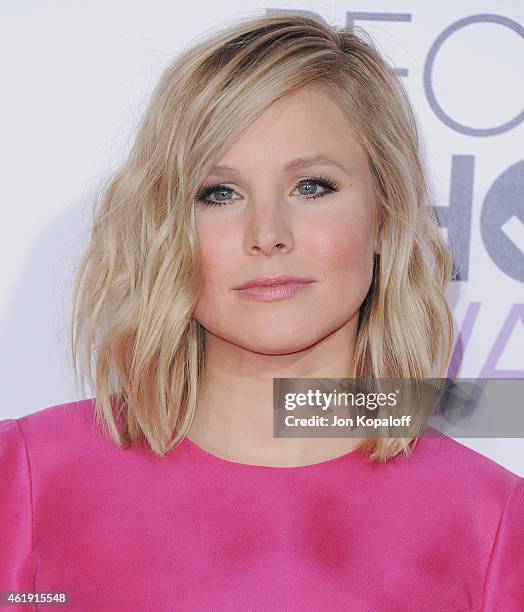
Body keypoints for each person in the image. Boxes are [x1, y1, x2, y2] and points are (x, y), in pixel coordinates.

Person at [1, 11, 523, 611]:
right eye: (218, 193)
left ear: (387, 213)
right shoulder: (24, 481)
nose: (267, 234)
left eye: (313, 187)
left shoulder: (493, 528)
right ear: (168, 226)